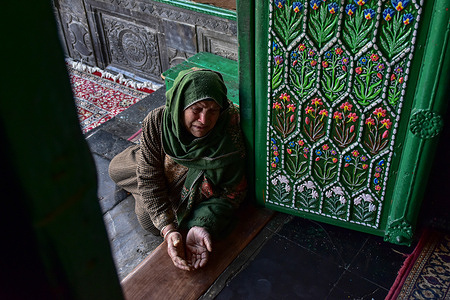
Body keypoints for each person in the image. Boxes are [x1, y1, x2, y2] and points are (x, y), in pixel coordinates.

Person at [109, 68, 247, 271]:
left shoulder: (228, 134)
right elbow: (149, 178)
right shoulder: (157, 122)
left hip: (191, 184)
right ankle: (151, 161)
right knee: (115, 169)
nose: (204, 120)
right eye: (197, 109)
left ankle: (154, 184)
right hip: (163, 164)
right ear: (180, 106)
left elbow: (232, 193)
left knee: (149, 220)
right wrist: (166, 220)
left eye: (213, 110)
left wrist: (200, 224)